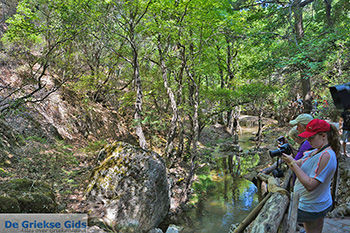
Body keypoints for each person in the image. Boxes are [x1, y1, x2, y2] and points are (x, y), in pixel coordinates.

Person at [282, 119, 340, 233]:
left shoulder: (326, 156)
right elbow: (299, 163)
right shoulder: (316, 150)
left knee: (281, 217)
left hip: (312, 206)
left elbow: (310, 185)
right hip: (314, 203)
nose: (308, 140)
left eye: (311, 137)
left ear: (323, 136)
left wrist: (292, 163)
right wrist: (287, 158)